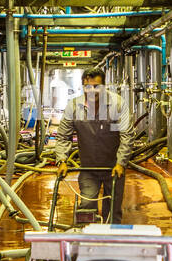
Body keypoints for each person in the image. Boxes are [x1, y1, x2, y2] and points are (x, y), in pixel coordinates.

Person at [52, 67, 139, 225]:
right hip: (88, 168)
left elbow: (126, 136)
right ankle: (86, 242)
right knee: (87, 206)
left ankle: (111, 243)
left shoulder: (117, 105)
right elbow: (64, 136)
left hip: (114, 168)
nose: (92, 91)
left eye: (96, 87)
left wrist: (121, 163)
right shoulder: (73, 107)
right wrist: (62, 160)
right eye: (88, 87)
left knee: (112, 212)